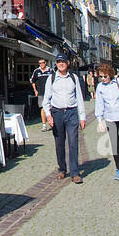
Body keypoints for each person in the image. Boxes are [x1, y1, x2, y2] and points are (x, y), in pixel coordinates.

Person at [42, 52, 87, 183]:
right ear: (56, 64)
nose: (61, 64)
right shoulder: (51, 79)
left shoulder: (73, 78)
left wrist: (82, 116)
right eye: (58, 62)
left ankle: (75, 172)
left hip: (72, 112)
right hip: (57, 113)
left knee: (73, 142)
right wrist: (49, 115)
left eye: (63, 62)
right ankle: (62, 169)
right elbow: (46, 100)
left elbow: (79, 97)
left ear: (67, 63)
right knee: (59, 143)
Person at [29, 58, 53, 131]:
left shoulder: (50, 70)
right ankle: (44, 125)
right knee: (43, 108)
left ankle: (52, 123)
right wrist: (35, 90)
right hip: (41, 93)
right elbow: (32, 81)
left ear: (46, 63)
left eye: (43, 62)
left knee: (51, 108)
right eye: (40, 63)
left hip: (50, 93)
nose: (41, 64)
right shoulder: (36, 71)